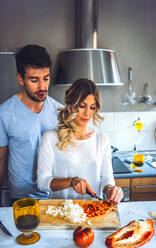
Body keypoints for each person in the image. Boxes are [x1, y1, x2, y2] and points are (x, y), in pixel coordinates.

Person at [37, 79, 123, 204]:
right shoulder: (50, 137)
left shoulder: (102, 139)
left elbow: (106, 177)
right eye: (82, 106)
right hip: (59, 213)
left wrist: (111, 190)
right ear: (71, 104)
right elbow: (42, 182)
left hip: (93, 211)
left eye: (92, 107)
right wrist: (72, 181)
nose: (87, 113)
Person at [0, 44, 63, 205]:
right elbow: (0, 159)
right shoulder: (5, 113)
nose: (42, 87)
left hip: (54, 194)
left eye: (46, 78)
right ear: (20, 78)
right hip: (21, 197)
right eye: (34, 80)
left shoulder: (60, 111)